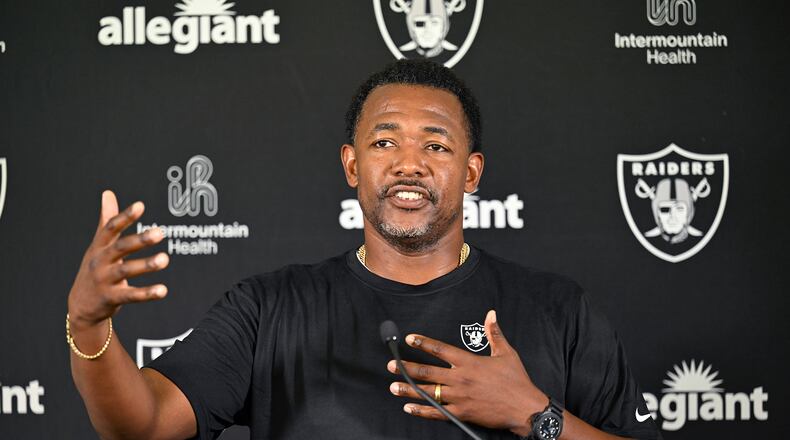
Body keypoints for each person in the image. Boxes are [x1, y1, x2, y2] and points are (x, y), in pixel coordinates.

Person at [67, 60, 662, 440]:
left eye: (437, 145)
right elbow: (144, 425)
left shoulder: (558, 310)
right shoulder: (270, 308)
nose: (409, 164)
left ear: (472, 172)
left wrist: (534, 414)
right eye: (384, 141)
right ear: (352, 165)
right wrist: (89, 325)